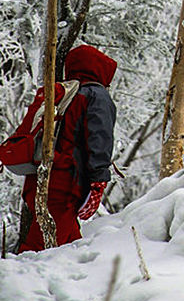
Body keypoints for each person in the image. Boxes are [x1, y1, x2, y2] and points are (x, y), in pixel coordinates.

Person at [17, 45, 117, 252]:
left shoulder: (65, 92)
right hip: (65, 184)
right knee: (39, 252)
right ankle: (22, 284)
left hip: (40, 177)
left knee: (70, 248)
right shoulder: (96, 96)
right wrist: (99, 181)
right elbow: (100, 139)